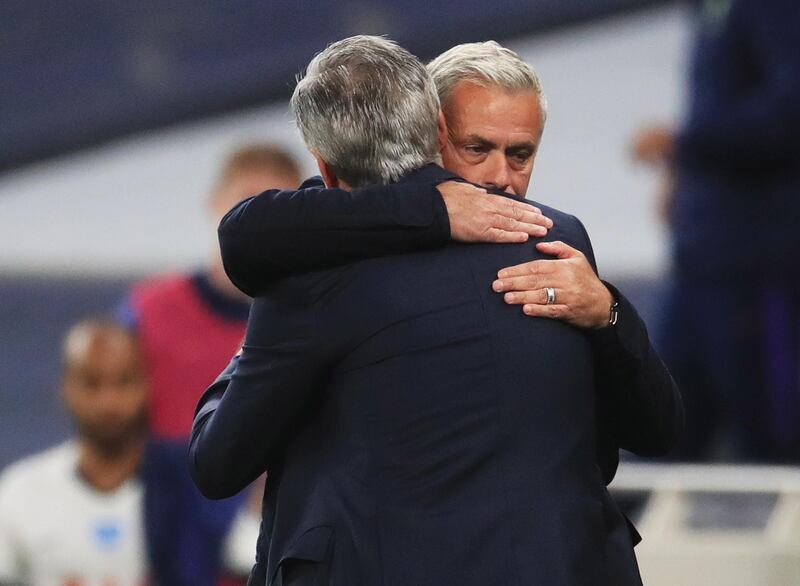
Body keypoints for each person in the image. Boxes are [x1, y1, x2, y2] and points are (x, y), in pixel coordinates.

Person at [191, 36, 682, 586]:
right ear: (435, 131)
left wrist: (610, 313)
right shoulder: (553, 236)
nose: (499, 178)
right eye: (478, 148)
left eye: (520, 154)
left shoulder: (552, 247)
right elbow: (249, 230)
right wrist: (427, 209)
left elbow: (218, 462)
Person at [632, 0, 800, 461]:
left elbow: (790, 114)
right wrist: (682, 173)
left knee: (771, 444)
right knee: (661, 430)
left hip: (757, 263)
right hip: (699, 259)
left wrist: (683, 144)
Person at [0, 318, 257, 586]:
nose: (109, 401)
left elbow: (249, 556)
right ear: (65, 389)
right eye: (92, 383)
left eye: (124, 382)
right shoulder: (20, 491)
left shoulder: (194, 486)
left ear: (147, 385)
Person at [117, 143, 302, 439]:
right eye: (246, 201)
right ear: (214, 202)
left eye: (280, 207)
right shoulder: (148, 310)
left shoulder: (321, 318)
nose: (261, 221)